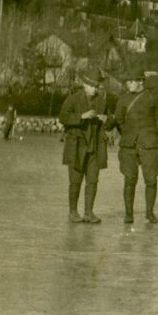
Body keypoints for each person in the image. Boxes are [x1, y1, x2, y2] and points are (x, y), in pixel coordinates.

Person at [113, 68, 158, 224]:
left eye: (132, 81)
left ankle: (149, 213)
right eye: (127, 81)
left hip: (149, 145)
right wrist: (128, 133)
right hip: (129, 146)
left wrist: (150, 134)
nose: (128, 84)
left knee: (151, 179)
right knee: (129, 179)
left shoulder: (153, 97)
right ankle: (128, 214)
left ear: (141, 81)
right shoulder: (123, 99)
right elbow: (119, 119)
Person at [59, 69, 112, 224]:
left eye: (97, 86)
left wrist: (106, 119)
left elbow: (109, 120)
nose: (95, 89)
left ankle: (89, 212)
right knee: (75, 181)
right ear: (84, 84)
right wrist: (81, 117)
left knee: (93, 181)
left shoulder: (102, 101)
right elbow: (62, 117)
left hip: (95, 147)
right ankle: (73, 212)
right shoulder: (73, 99)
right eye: (91, 86)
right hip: (76, 146)